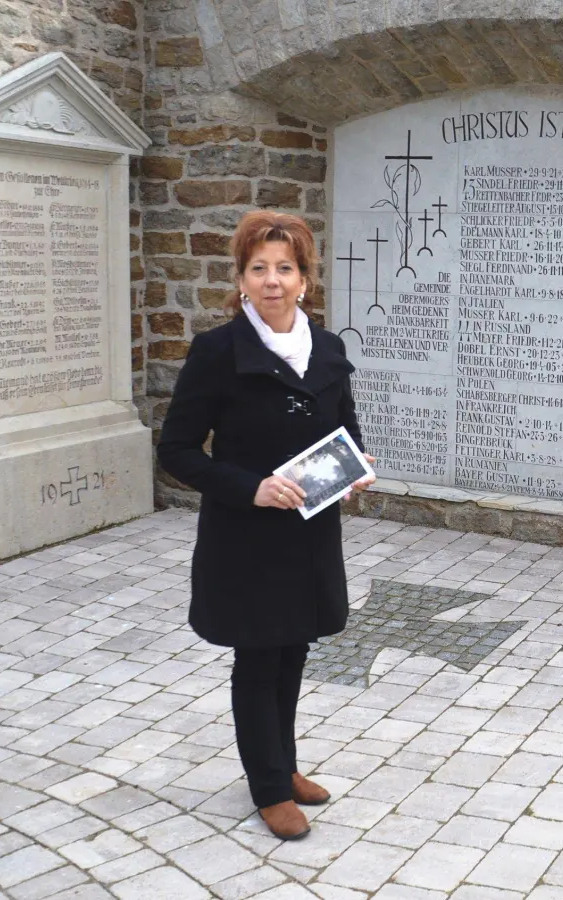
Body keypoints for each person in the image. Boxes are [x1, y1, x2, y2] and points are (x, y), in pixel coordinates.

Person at [157, 211, 375, 841]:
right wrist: (250, 487)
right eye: (259, 269)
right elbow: (176, 451)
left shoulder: (327, 347)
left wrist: (357, 466)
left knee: (294, 649)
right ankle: (269, 788)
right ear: (242, 279)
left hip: (309, 533)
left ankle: (284, 764)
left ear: (305, 278)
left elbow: (346, 428)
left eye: (285, 268)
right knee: (258, 659)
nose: (272, 280)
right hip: (246, 537)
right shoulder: (217, 352)